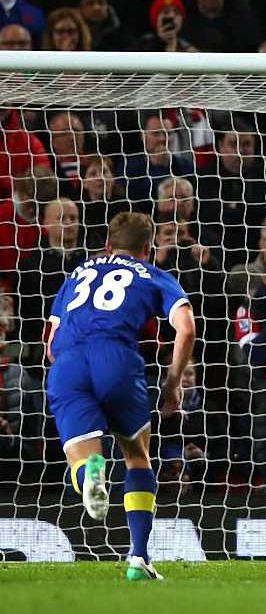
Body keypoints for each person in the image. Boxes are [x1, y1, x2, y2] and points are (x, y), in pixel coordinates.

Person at [45, 212, 196, 581]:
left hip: (69, 363)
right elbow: (187, 329)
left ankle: (89, 473)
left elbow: (50, 344)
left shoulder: (77, 274)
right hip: (118, 361)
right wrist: (173, 382)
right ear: (148, 248)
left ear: (108, 245)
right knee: (137, 456)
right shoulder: (153, 274)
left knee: (81, 457)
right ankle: (138, 558)